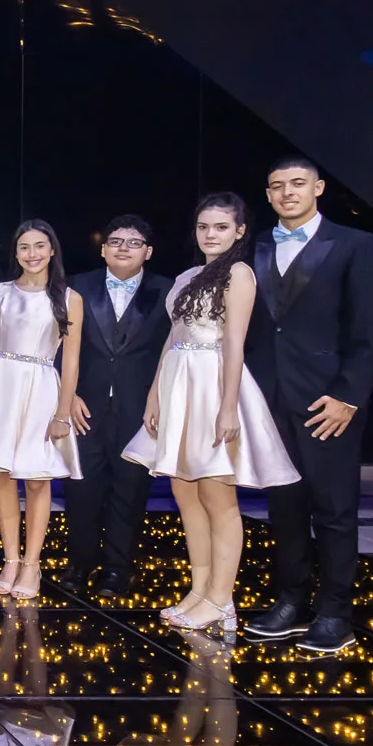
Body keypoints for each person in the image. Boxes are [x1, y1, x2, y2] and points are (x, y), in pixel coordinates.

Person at [121, 193, 299, 636]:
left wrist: (227, 406)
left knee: (218, 497)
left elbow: (235, 342)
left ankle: (222, 598)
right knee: (185, 494)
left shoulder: (239, 273)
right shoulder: (187, 275)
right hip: (178, 385)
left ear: (239, 231)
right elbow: (172, 339)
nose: (210, 234)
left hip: (213, 386)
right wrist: (155, 396)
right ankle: (200, 591)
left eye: (220, 227)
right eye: (204, 227)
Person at [242, 158, 373, 653]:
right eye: (277, 186)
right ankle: (290, 601)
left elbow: (369, 331)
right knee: (283, 506)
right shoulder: (255, 247)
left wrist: (350, 395)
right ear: (267, 195)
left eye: (298, 184)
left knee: (333, 510)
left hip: (329, 402)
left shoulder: (355, 245)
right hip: (268, 401)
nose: (287, 193)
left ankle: (335, 611)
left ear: (319, 188)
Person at [0, 220, 84, 601]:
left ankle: (32, 564)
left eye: (40, 246)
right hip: (0, 385)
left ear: (52, 250)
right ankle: (10, 559)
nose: (32, 254)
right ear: (16, 253)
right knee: (2, 476)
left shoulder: (69, 298)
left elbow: (70, 362)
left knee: (37, 479)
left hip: (41, 388)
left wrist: (62, 413)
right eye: (24, 247)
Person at [60, 216, 173, 598]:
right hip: (83, 408)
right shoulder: (76, 286)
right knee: (80, 490)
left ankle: (117, 570)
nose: (124, 247)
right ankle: (79, 564)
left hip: (139, 410)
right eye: (116, 241)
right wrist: (68, 394)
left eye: (134, 242)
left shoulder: (168, 291)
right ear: (104, 248)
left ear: (149, 251)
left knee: (130, 492)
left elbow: (172, 353)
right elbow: (55, 346)